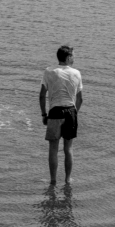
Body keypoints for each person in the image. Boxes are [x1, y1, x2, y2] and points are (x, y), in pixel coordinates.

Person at [38, 46, 83, 185]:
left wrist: (44, 114)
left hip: (55, 111)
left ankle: (53, 181)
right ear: (68, 57)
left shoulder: (49, 71)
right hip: (70, 111)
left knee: (53, 149)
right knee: (68, 149)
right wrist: (75, 114)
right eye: (73, 56)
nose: (74, 58)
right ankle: (68, 180)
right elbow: (80, 99)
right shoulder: (76, 73)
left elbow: (42, 95)